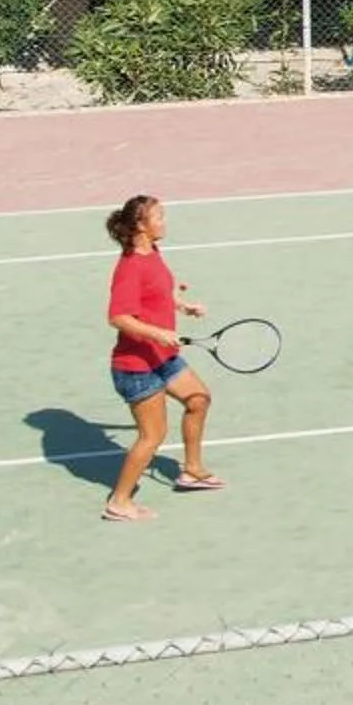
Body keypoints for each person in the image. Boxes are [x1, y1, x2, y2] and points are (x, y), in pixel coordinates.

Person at [100, 194, 222, 522]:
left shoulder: (152, 250)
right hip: (136, 366)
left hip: (162, 357)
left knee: (199, 399)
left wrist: (182, 304)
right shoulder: (129, 267)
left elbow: (160, 288)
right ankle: (119, 501)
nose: (164, 222)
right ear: (140, 225)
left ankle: (192, 470)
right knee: (152, 436)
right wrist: (158, 332)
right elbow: (118, 317)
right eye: (159, 217)